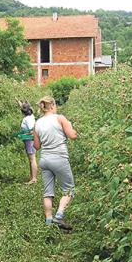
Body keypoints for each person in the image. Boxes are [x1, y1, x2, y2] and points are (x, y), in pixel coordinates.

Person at [33, 96, 77, 230]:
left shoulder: (37, 123)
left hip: (45, 160)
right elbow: (72, 135)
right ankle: (59, 216)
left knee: (48, 193)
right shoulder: (60, 118)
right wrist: (71, 127)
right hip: (59, 158)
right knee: (69, 190)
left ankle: (48, 220)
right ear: (52, 106)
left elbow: (36, 146)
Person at [20, 101, 37, 184]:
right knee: (31, 159)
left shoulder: (27, 119)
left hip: (29, 139)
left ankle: (34, 179)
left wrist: (23, 134)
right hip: (28, 139)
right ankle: (32, 177)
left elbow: (32, 130)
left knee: (32, 159)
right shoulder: (31, 116)